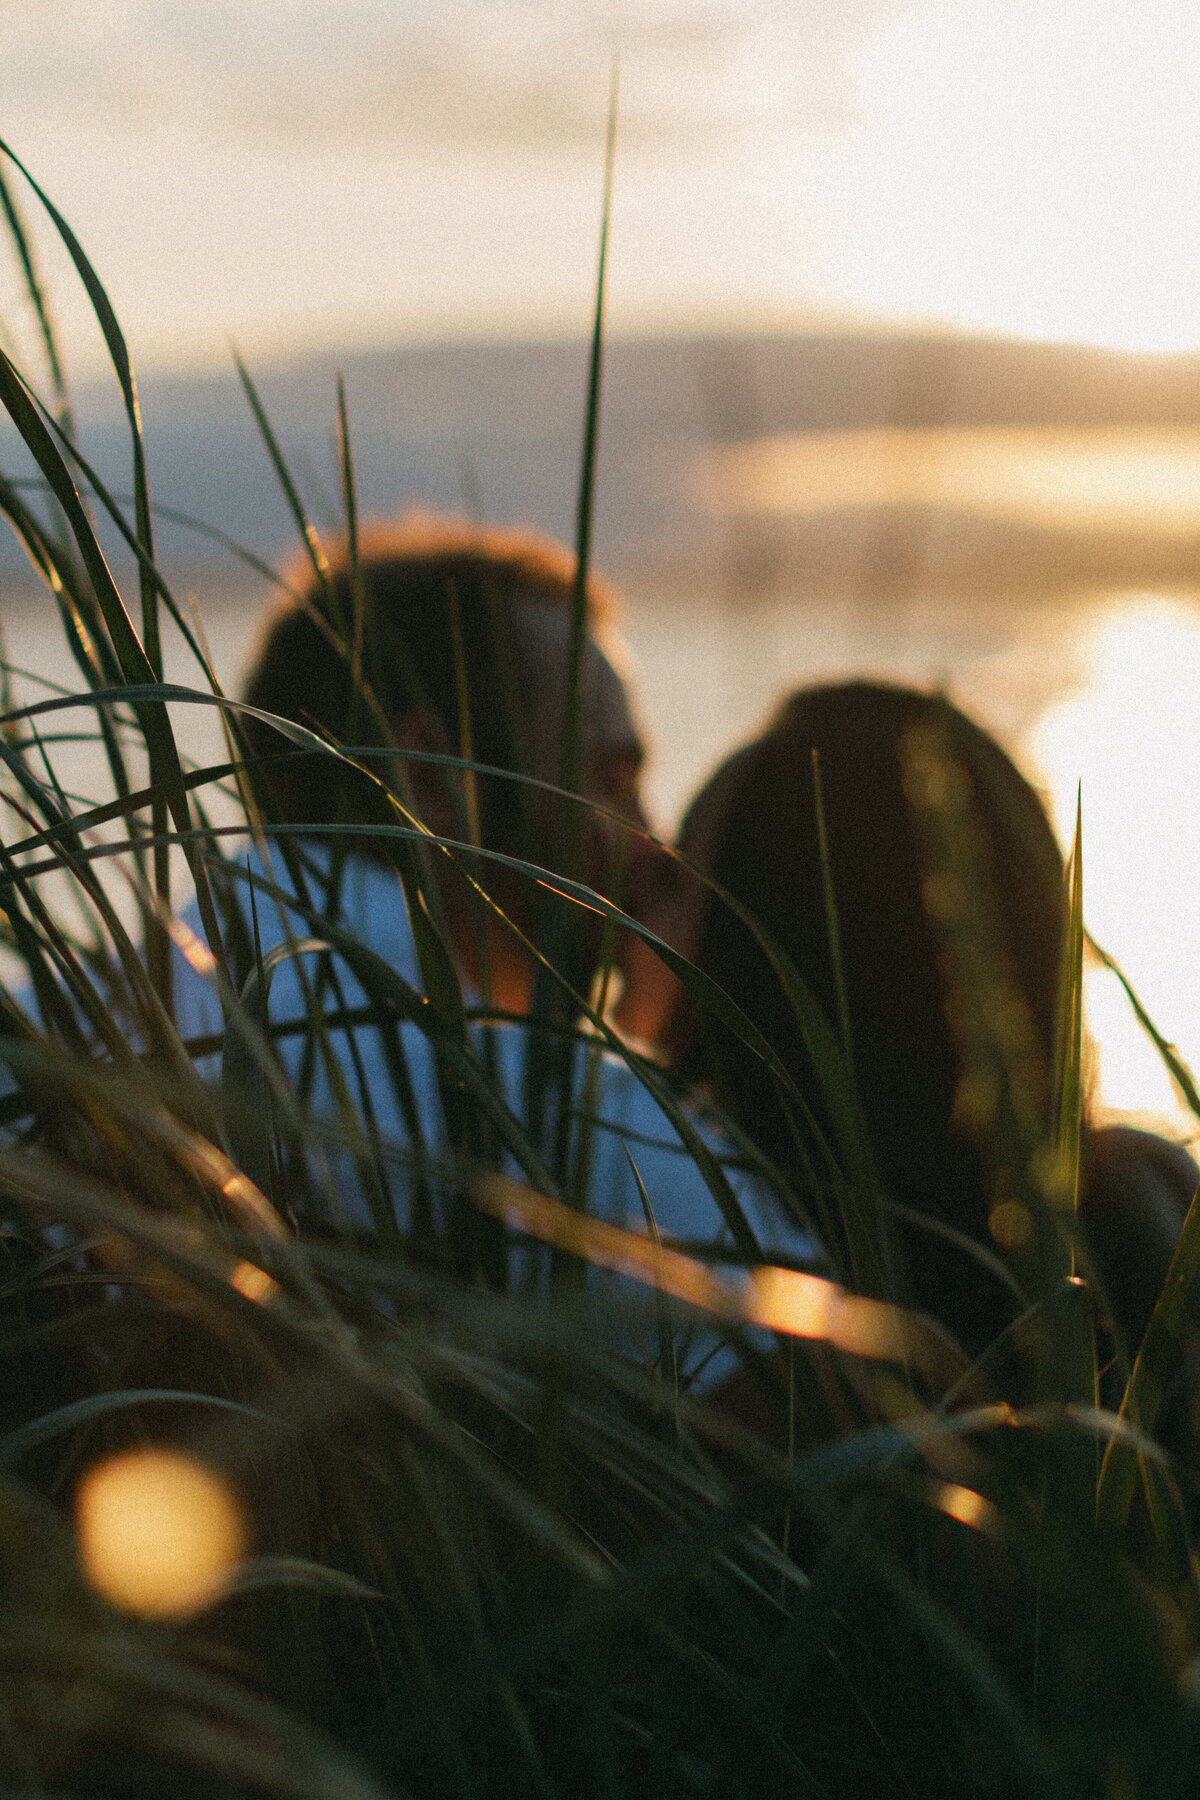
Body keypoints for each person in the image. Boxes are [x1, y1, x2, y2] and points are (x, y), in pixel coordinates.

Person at [171, 513, 818, 1383]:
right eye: (610, 779)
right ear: (432, 780)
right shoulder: (571, 1130)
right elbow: (861, 1426)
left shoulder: (108, 1002)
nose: (651, 843)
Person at [648, 680, 1199, 1441]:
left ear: (767, 961)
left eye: (673, 883)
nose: (631, 920)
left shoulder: (711, 1275)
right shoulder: (1155, 1217)